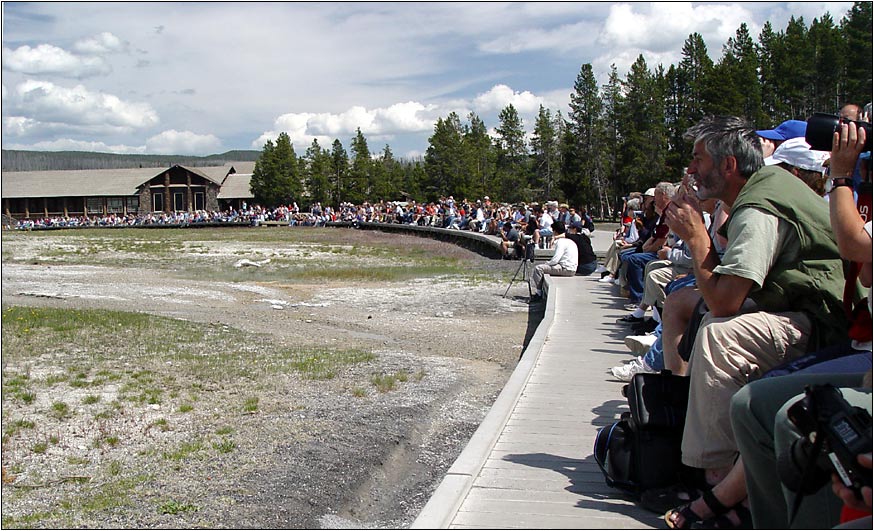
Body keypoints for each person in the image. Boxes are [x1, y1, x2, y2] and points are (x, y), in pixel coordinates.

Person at [652, 115, 848, 527]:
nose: (690, 169)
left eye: (698, 159)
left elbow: (725, 301)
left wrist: (696, 238)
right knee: (685, 304)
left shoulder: (759, 206)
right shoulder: (759, 190)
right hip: (800, 308)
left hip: (825, 322)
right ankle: (679, 413)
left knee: (721, 335)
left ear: (727, 166)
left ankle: (719, 484)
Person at [529, 220, 577, 302]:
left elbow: (555, 259)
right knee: (544, 268)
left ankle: (539, 293)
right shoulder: (569, 241)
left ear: (554, 231)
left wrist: (547, 263)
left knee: (538, 269)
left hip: (566, 268)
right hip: (571, 267)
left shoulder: (561, 242)